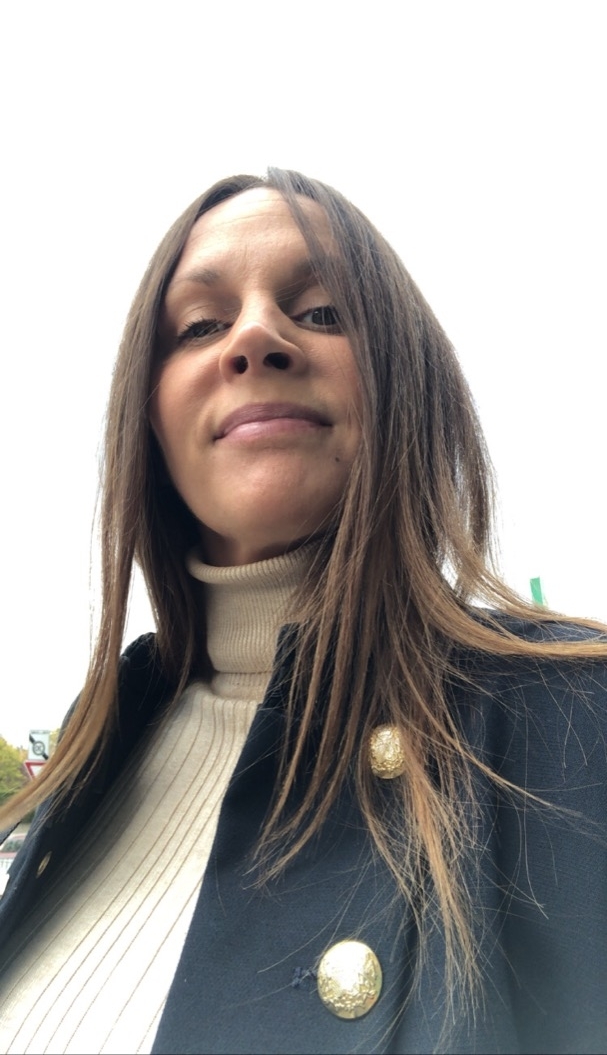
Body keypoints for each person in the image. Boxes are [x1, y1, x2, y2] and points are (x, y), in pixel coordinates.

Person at [0, 169, 606, 1055]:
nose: (254, 336)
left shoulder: (575, 716)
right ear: (149, 417)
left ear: (407, 384)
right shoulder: (96, 740)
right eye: (198, 325)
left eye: (322, 311)